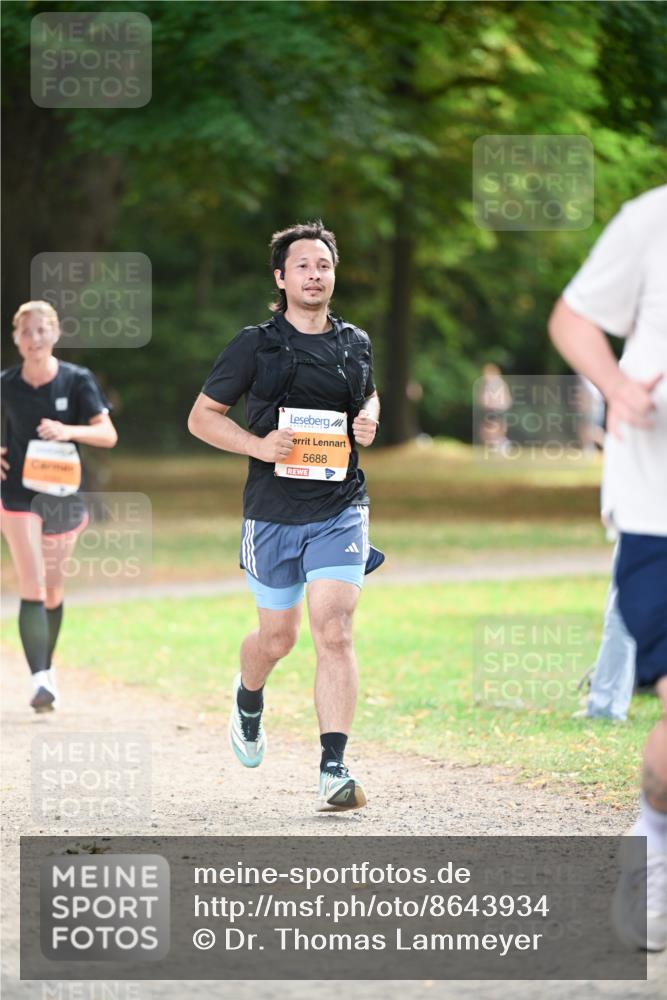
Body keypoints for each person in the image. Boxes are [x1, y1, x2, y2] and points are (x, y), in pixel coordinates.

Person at [188, 221, 381, 811]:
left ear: (332, 272)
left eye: (322, 265)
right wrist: (258, 445)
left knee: (334, 628)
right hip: (271, 513)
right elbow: (202, 417)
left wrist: (368, 417)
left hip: (339, 507)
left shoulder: (355, 343)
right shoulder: (255, 344)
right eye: (302, 266)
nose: (314, 275)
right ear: (281, 277)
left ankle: (333, 767)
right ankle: (249, 699)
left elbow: (366, 395)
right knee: (278, 638)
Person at [548, 184, 667, 950]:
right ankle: (653, 845)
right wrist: (619, 387)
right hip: (659, 504)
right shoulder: (653, 218)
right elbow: (571, 318)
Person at [1, 301, 117, 712]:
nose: (35, 338)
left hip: (64, 497)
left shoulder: (76, 381)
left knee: (51, 584)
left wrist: (67, 430)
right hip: (16, 495)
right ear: (16, 338)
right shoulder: (6, 384)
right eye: (27, 331)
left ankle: (46, 667)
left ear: (55, 334)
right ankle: (39, 680)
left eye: (42, 330)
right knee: (31, 581)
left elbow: (108, 435)